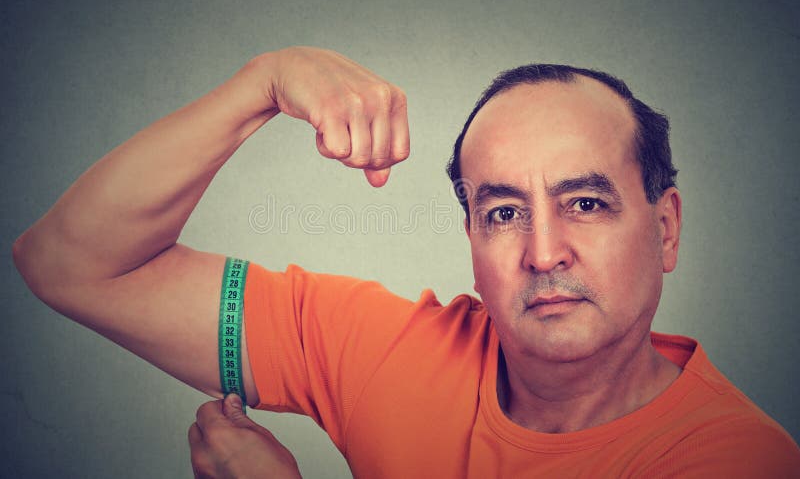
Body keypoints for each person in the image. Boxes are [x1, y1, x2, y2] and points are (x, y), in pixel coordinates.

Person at [12, 47, 800, 478]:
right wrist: (263, 83)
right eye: (502, 213)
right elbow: (71, 262)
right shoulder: (387, 353)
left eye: (585, 203)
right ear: (471, 242)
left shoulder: (734, 459)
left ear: (664, 228)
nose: (543, 251)